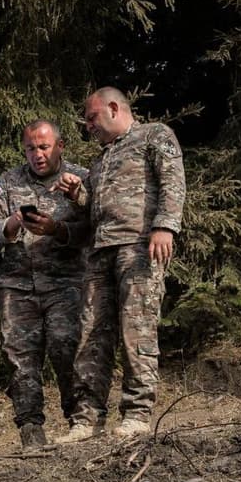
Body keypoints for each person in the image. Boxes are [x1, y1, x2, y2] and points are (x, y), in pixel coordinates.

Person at [52, 87, 186, 442]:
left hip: (139, 246)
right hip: (100, 251)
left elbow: (173, 180)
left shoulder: (153, 135)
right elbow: (95, 204)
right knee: (91, 332)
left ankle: (137, 412)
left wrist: (164, 226)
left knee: (135, 329)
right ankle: (88, 418)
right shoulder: (101, 159)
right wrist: (77, 193)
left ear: (114, 108)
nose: (88, 125)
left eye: (92, 117)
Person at [0, 120, 91, 448]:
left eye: (44, 147)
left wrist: (58, 229)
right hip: (17, 285)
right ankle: (31, 430)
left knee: (67, 348)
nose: (37, 155)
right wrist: (12, 223)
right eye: (31, 148)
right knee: (19, 358)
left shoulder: (81, 179)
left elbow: (94, 229)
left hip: (65, 282)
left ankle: (80, 422)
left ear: (60, 146)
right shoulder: (6, 183)